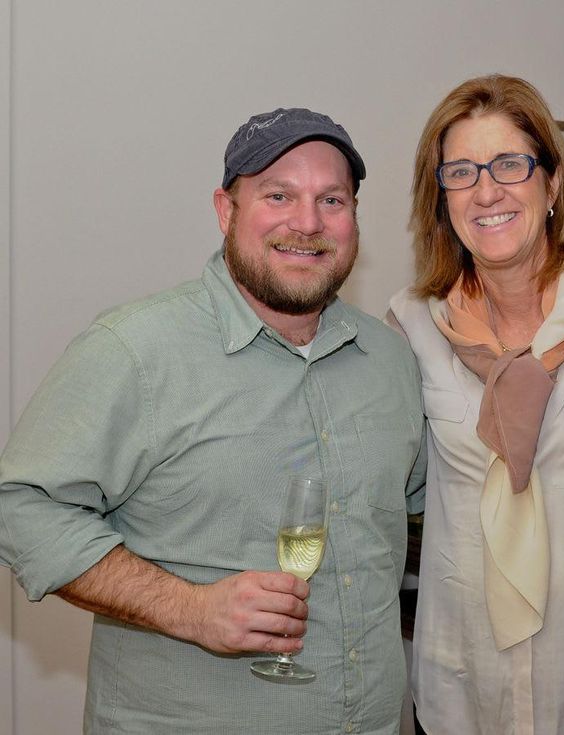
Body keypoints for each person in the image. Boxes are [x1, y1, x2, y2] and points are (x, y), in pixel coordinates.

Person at [0, 107, 425, 734]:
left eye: (331, 200)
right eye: (278, 195)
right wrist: (190, 609)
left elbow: (434, 513)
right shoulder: (135, 349)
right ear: (226, 211)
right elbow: (20, 506)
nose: (308, 222)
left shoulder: (390, 360)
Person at [388, 75, 564, 735]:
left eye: (510, 164)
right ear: (441, 198)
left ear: (552, 182)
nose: (486, 191)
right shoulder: (412, 324)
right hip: (462, 684)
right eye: (461, 172)